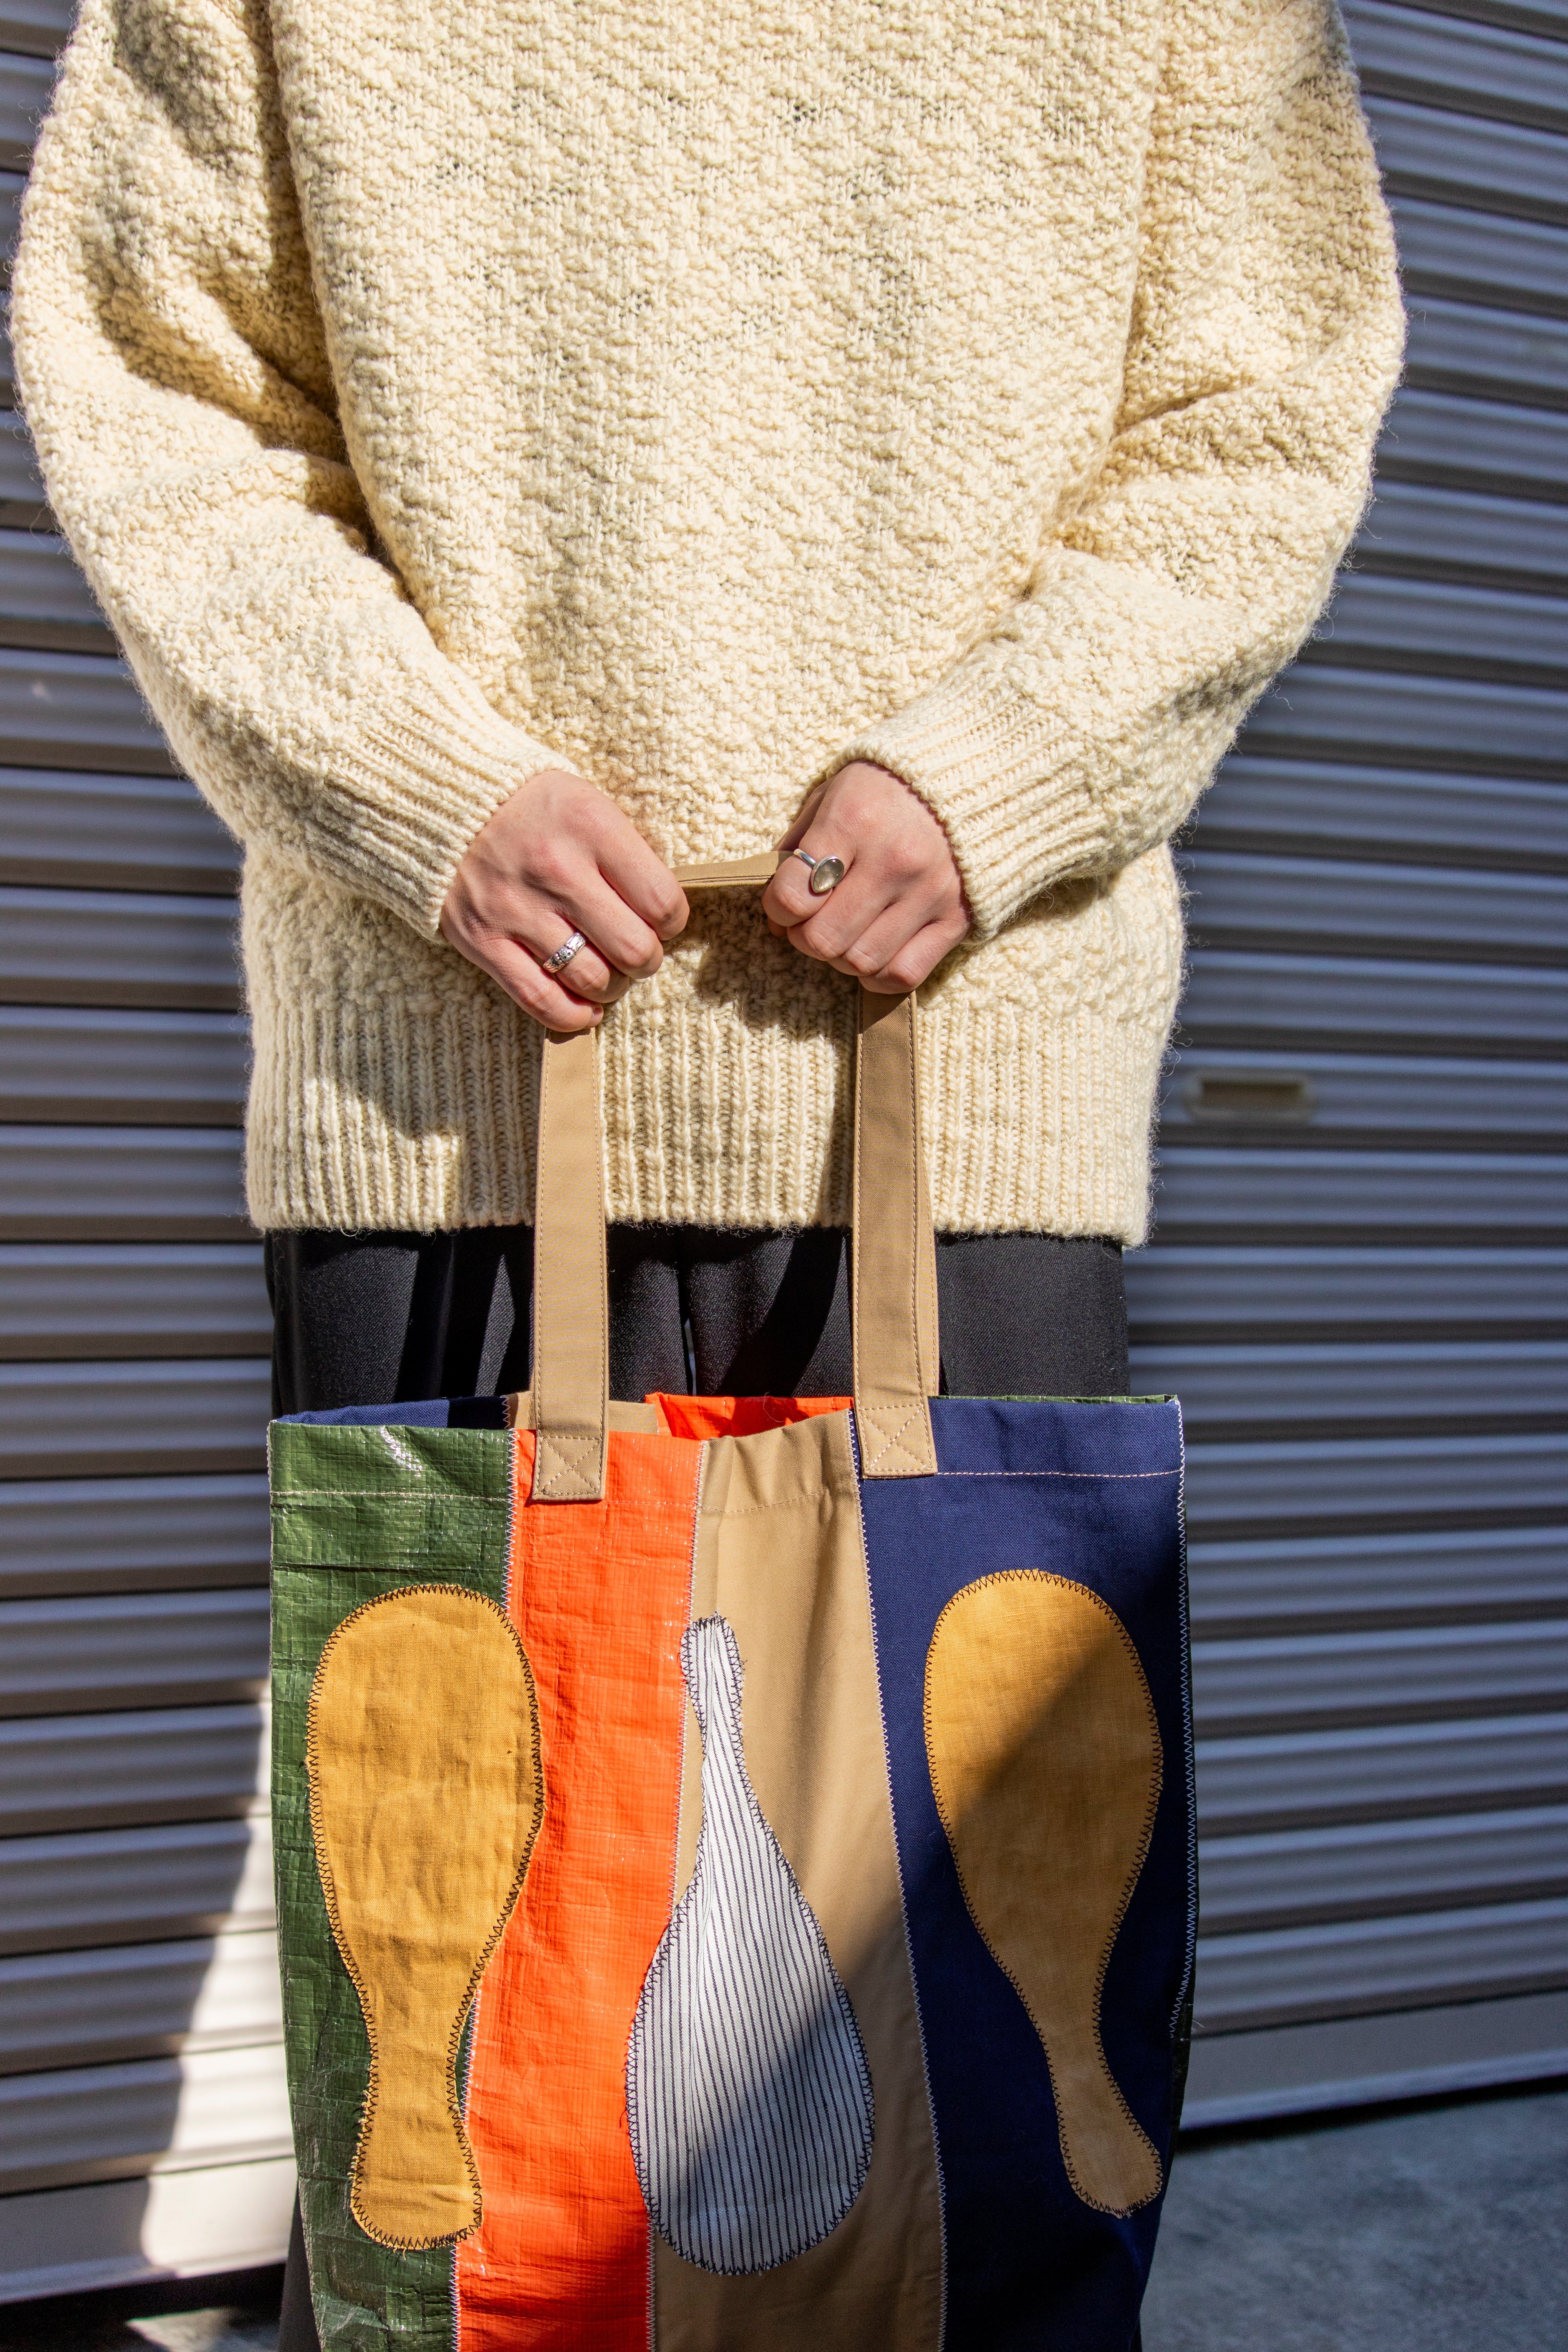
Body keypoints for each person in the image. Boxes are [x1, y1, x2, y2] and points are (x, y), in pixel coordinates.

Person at [15, 2, 1402, 2341]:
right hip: (445, 1093)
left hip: (975, 1087)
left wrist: (1004, 768)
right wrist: (413, 782)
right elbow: (163, 389)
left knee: (983, 1971)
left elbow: (1261, 417)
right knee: (464, 1966)